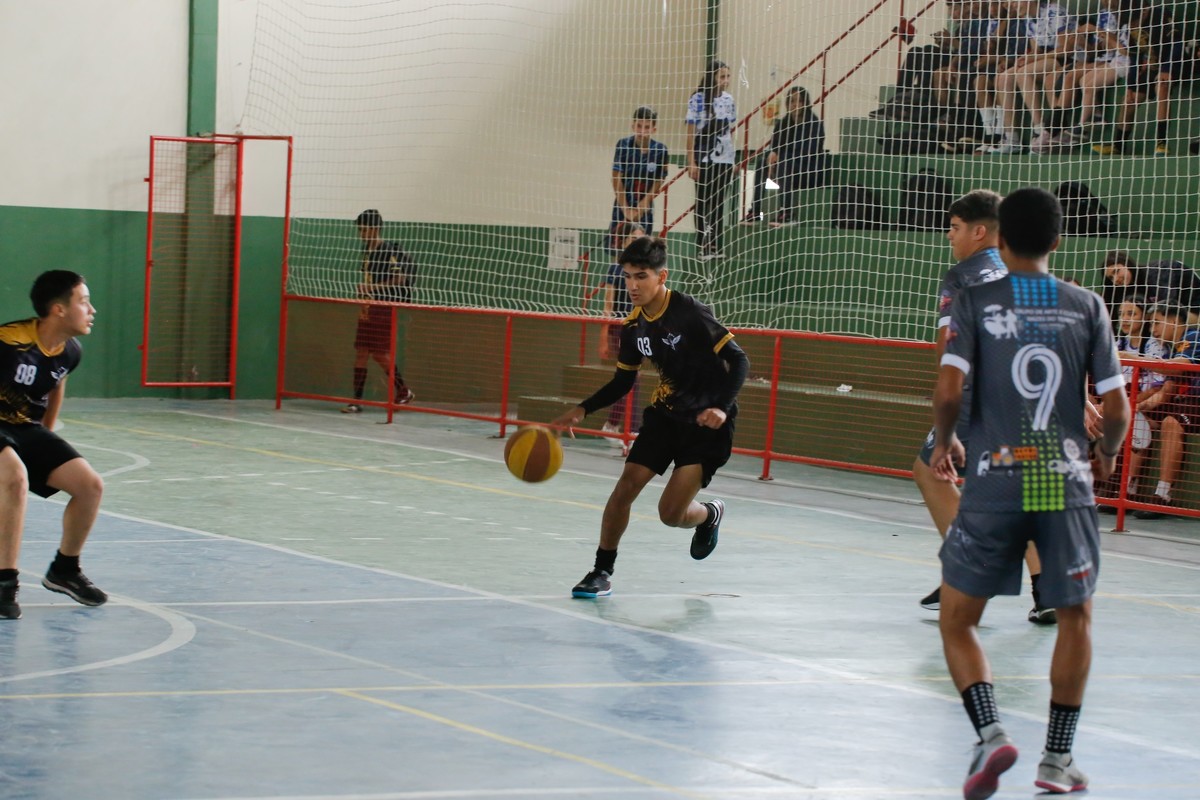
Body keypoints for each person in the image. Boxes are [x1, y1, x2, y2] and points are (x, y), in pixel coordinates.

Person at [930, 187, 1129, 799]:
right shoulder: (1087, 304)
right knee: (1076, 618)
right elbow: (1116, 408)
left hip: (994, 478)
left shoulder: (974, 298)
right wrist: (1107, 450)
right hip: (1063, 483)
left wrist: (946, 441)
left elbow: (948, 392)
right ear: (1058, 242)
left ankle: (991, 733)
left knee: (958, 621)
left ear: (1001, 239)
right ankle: (1057, 758)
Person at [552, 236, 749, 598]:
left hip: (706, 426)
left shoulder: (689, 311)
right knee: (624, 488)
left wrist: (721, 406)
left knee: (670, 514)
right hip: (665, 417)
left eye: (641, 276)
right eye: (627, 277)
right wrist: (582, 409)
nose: (632, 285)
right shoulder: (633, 326)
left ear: (661, 277)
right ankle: (601, 570)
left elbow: (739, 359)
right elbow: (623, 380)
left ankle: (709, 514)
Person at [912, 190, 1055, 624]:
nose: (949, 236)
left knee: (930, 471)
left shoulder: (963, 275)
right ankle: (1048, 590)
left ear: (978, 232)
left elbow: (949, 349)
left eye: (954, 228)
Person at [1, 271, 110, 621]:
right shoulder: (8, 342)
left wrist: (45, 439)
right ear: (59, 309)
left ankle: (64, 570)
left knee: (90, 486)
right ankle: (5, 584)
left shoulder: (71, 351)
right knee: (15, 478)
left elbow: (55, 385)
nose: (91, 310)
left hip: (25, 427)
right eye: (84, 301)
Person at [1094, 293, 1165, 513]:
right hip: (1121, 403)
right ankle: (1099, 483)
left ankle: (1127, 488)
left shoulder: (1154, 346)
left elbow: (1156, 387)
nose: (1125, 318)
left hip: (1147, 406)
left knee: (1132, 423)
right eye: (1121, 313)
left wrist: (1127, 403)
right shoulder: (1118, 344)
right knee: (1094, 418)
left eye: (1131, 313)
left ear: (1144, 317)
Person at [342, 209, 416, 413]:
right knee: (361, 352)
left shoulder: (387, 251)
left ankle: (403, 390)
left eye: (365, 230)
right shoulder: (367, 250)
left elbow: (400, 278)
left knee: (379, 353)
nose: (361, 234)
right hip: (367, 306)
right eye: (360, 230)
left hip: (383, 306)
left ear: (375, 229)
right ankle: (356, 401)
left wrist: (372, 288)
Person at [1133, 303, 1200, 518]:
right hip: (1184, 403)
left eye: (1157, 322)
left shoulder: (1193, 337)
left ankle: (1162, 495)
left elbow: (1176, 367)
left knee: (1171, 422)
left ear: (1173, 321)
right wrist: (1137, 407)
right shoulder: (1174, 347)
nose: (1153, 329)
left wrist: (1135, 359)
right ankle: (1126, 489)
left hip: (1196, 402)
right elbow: (1166, 391)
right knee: (1138, 418)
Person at [599, 222, 646, 445]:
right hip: (621, 328)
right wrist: (604, 335)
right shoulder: (615, 270)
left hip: (640, 328)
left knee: (631, 378)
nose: (637, 242)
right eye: (633, 238)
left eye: (641, 239)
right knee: (632, 376)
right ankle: (632, 429)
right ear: (624, 242)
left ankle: (612, 423)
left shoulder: (646, 272)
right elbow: (608, 305)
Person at [686, 61, 737, 261]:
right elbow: (691, 133)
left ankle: (715, 244)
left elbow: (730, 132)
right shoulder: (697, 99)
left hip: (724, 159)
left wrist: (732, 159)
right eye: (722, 76)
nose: (726, 80)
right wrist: (691, 161)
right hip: (704, 158)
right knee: (703, 201)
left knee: (718, 203)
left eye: (728, 76)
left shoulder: (729, 99)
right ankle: (703, 244)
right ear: (712, 77)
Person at [764, 86, 829, 227]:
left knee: (786, 161)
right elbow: (775, 145)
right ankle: (755, 211)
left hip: (810, 171)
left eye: (799, 101)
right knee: (761, 164)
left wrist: (782, 156)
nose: (795, 105)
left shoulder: (814, 123)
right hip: (786, 167)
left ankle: (787, 213)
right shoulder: (783, 123)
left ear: (805, 103)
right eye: (792, 101)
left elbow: (809, 151)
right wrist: (773, 154)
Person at [610, 106, 668, 244]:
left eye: (647, 127)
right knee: (620, 248)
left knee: (643, 248)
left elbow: (659, 179)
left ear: (654, 129)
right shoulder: (623, 145)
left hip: (645, 207)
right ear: (633, 126)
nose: (642, 131)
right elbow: (616, 178)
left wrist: (643, 204)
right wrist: (626, 209)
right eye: (639, 126)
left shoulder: (660, 150)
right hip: (623, 205)